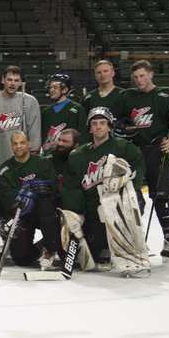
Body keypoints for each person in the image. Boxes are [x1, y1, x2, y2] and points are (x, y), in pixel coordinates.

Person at [113, 60, 169, 263]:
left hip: (157, 151)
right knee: (131, 198)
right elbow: (116, 120)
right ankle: (134, 239)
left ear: (151, 74)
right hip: (133, 153)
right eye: (135, 77)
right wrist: (122, 128)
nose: (139, 80)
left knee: (161, 198)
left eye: (142, 76)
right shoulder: (127, 96)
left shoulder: (167, 95)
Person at [60, 107, 146, 272]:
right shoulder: (77, 156)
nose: (98, 127)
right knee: (94, 253)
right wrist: (77, 213)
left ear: (109, 127)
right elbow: (72, 187)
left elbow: (137, 169)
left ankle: (130, 245)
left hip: (122, 202)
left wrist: (131, 183)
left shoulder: (123, 147)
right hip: (93, 209)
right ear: (89, 128)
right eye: (94, 123)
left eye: (102, 123)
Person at [0, 131, 63, 269]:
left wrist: (31, 194)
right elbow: (6, 197)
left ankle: (51, 248)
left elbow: (53, 190)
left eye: (22, 143)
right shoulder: (4, 170)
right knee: (21, 259)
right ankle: (41, 245)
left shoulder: (43, 163)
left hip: (41, 212)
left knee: (45, 206)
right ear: (11, 146)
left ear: (29, 144)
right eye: (15, 143)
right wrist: (29, 192)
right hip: (21, 214)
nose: (18, 146)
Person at [0, 65, 40, 170]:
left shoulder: (30, 101)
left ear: (20, 82)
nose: (12, 83)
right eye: (9, 80)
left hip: (21, 162)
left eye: (16, 80)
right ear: (3, 80)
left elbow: (34, 132)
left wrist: (33, 156)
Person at [40, 74, 88, 159]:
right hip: (49, 158)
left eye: (55, 87)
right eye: (50, 87)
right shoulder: (46, 111)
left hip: (69, 158)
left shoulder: (77, 109)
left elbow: (83, 136)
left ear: (65, 89)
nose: (51, 90)